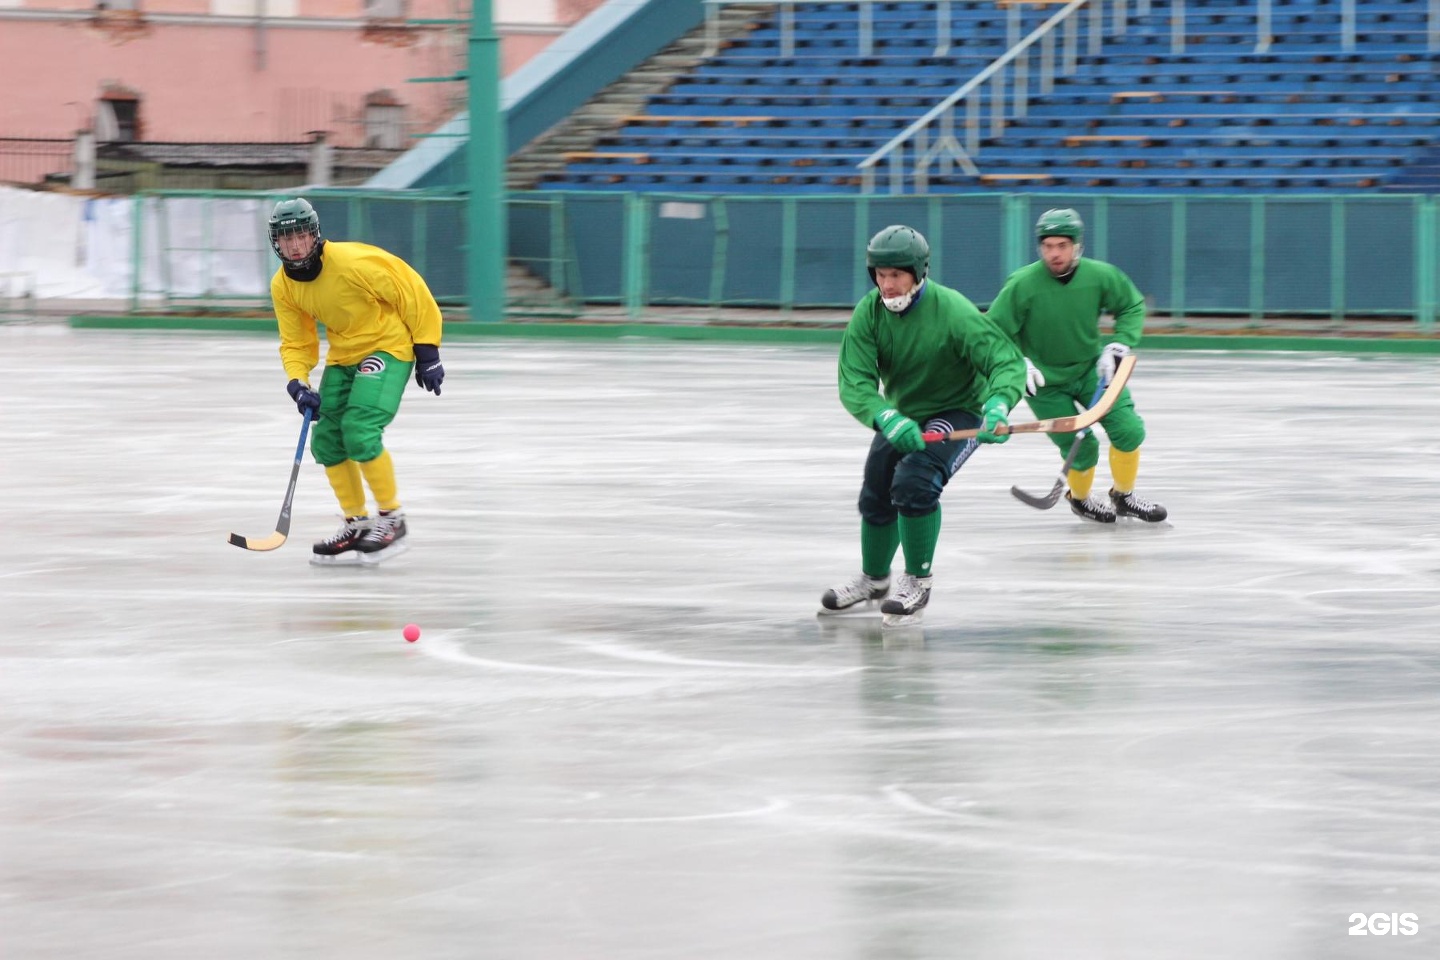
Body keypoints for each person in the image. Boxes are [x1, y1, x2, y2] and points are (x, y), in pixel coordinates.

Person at [820, 224, 1025, 626]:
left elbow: (1003, 360)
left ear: (918, 272)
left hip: (958, 410)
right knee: (876, 489)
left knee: (915, 482)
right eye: (880, 275)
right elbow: (855, 380)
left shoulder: (953, 310)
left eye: (896, 275)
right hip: (904, 413)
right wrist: (885, 415)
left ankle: (917, 580)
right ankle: (875, 579)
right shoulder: (870, 312)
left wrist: (999, 405)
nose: (887, 284)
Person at [267, 197, 446, 564]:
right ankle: (356, 523)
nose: (295, 245)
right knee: (329, 440)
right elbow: (297, 341)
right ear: (276, 244)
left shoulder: (353, 263)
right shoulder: (283, 286)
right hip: (344, 356)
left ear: (315, 235)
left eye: (301, 235)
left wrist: (427, 349)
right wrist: (298, 382)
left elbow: (409, 289)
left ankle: (392, 519)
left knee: (360, 428)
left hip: (387, 346)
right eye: (287, 239)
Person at [986, 208, 1166, 524]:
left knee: (1128, 429)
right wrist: (1016, 363)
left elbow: (1131, 305)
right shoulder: (1022, 284)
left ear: (1077, 246)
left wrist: (1119, 343)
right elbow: (991, 333)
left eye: (1062, 246)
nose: (1054, 253)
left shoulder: (1100, 276)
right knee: (1081, 448)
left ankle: (1123, 497)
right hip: (1043, 382)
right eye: (1048, 246)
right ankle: (1080, 500)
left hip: (1092, 372)